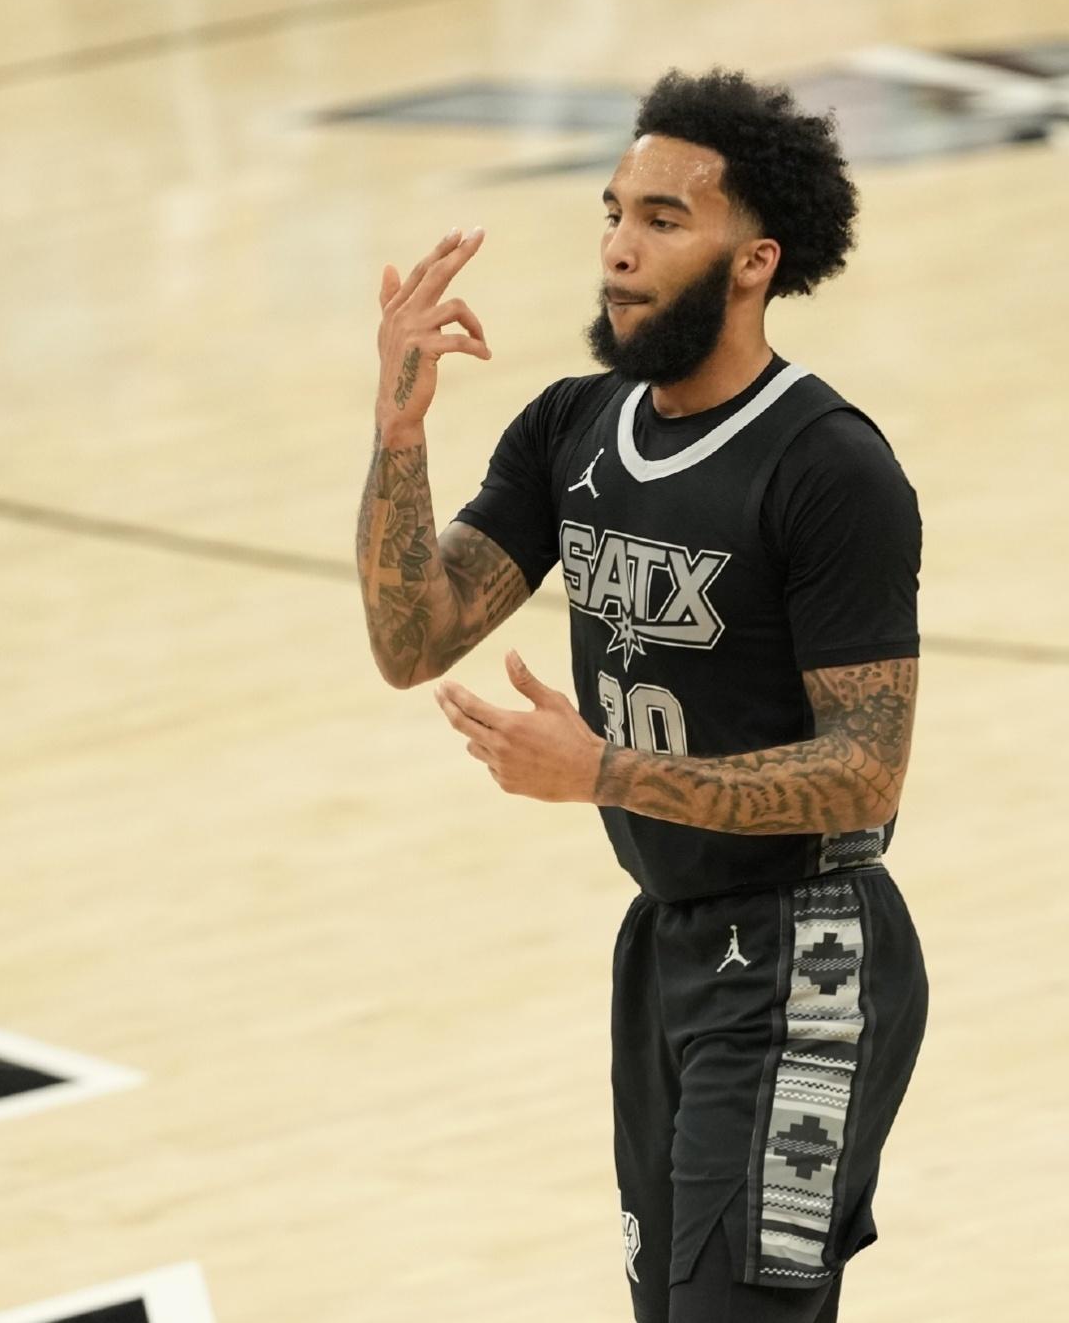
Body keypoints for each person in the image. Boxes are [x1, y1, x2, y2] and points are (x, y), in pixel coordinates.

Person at [355, 67, 927, 1323]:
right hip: (666, 948)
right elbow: (413, 636)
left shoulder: (829, 468)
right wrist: (399, 428)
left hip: (805, 952)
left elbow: (865, 772)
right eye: (614, 212)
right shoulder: (572, 428)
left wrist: (604, 772)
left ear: (753, 262)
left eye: (664, 220)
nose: (618, 247)